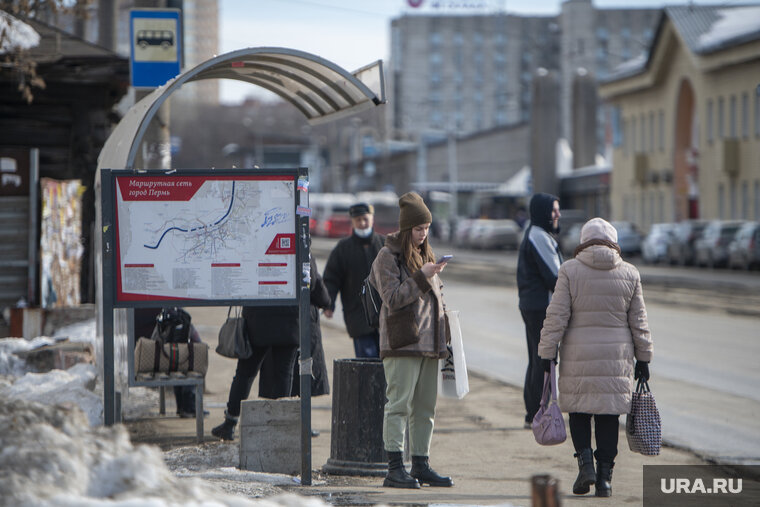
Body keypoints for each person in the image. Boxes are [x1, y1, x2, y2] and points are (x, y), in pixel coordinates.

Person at [538, 217, 653, 498]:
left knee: (579, 410)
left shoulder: (569, 270)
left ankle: (585, 465)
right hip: (616, 357)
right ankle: (604, 480)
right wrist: (644, 358)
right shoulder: (630, 273)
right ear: (614, 242)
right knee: (608, 416)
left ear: (583, 241)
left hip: (579, 354)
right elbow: (639, 320)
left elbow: (556, 315)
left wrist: (546, 351)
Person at [369, 191, 452, 489]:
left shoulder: (425, 255)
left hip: (429, 345)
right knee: (399, 405)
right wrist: (422, 277)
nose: (423, 234)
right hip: (402, 343)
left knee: (425, 408)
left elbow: (436, 301)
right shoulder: (386, 257)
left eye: (427, 228)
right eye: (419, 229)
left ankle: (420, 465)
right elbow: (392, 299)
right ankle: (394, 468)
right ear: (406, 229)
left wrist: (446, 337)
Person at [211, 304, 299, 441]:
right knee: (284, 375)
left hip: (257, 322)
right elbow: (311, 285)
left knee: (245, 374)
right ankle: (279, 426)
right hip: (290, 321)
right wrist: (324, 300)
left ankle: (230, 423)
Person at [516, 193, 563, 429]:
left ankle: (533, 411)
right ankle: (536, 412)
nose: (558, 215)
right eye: (554, 210)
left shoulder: (537, 235)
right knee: (542, 359)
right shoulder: (538, 236)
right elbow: (557, 277)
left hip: (533, 305)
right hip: (540, 307)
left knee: (537, 358)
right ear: (544, 212)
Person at [323, 202, 385, 358]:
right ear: (352, 221)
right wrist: (328, 304)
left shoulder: (385, 245)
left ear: (372, 219)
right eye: (358, 220)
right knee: (366, 361)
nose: (362, 223)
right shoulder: (343, 249)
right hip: (357, 315)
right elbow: (331, 278)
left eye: (365, 219)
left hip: (385, 315)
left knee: (386, 364)